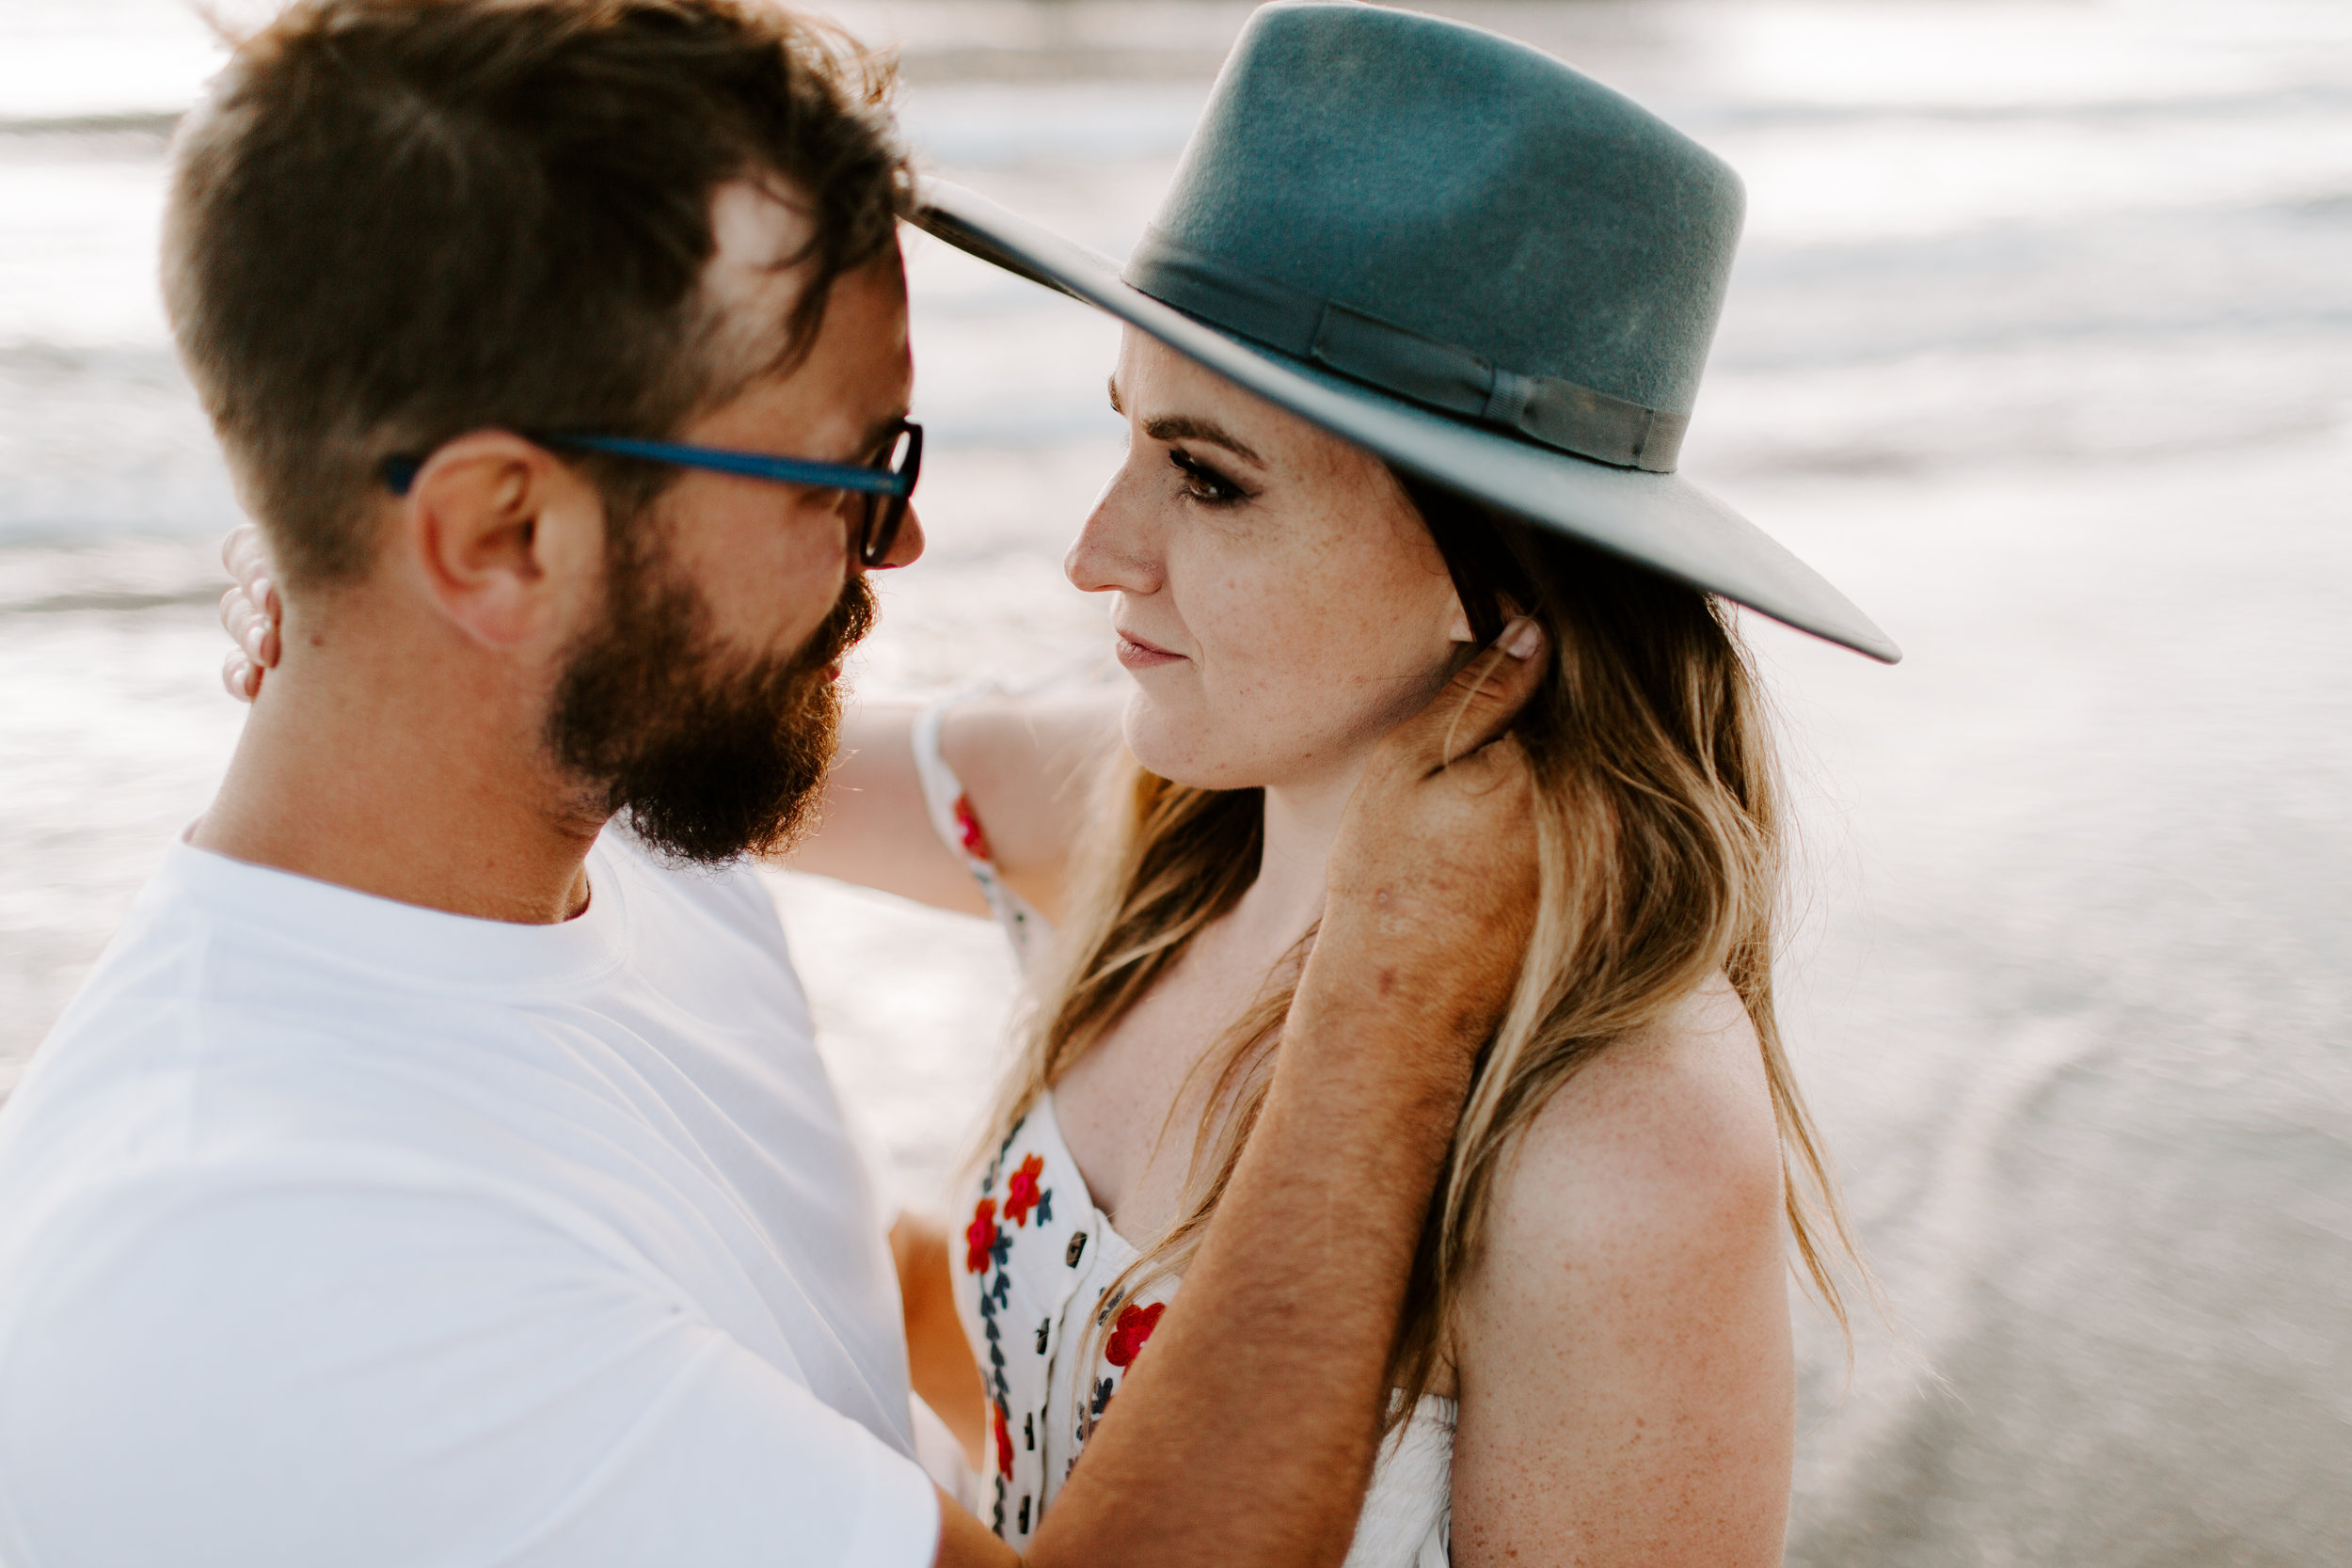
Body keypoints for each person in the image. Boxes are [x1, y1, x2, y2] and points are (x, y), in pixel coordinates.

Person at [0, 4, 1550, 1567]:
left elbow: (809, 1312)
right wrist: (1385, 1016)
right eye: (856, 477)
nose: (906, 541)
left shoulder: (630, 847)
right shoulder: (291, 1256)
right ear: (501, 537)